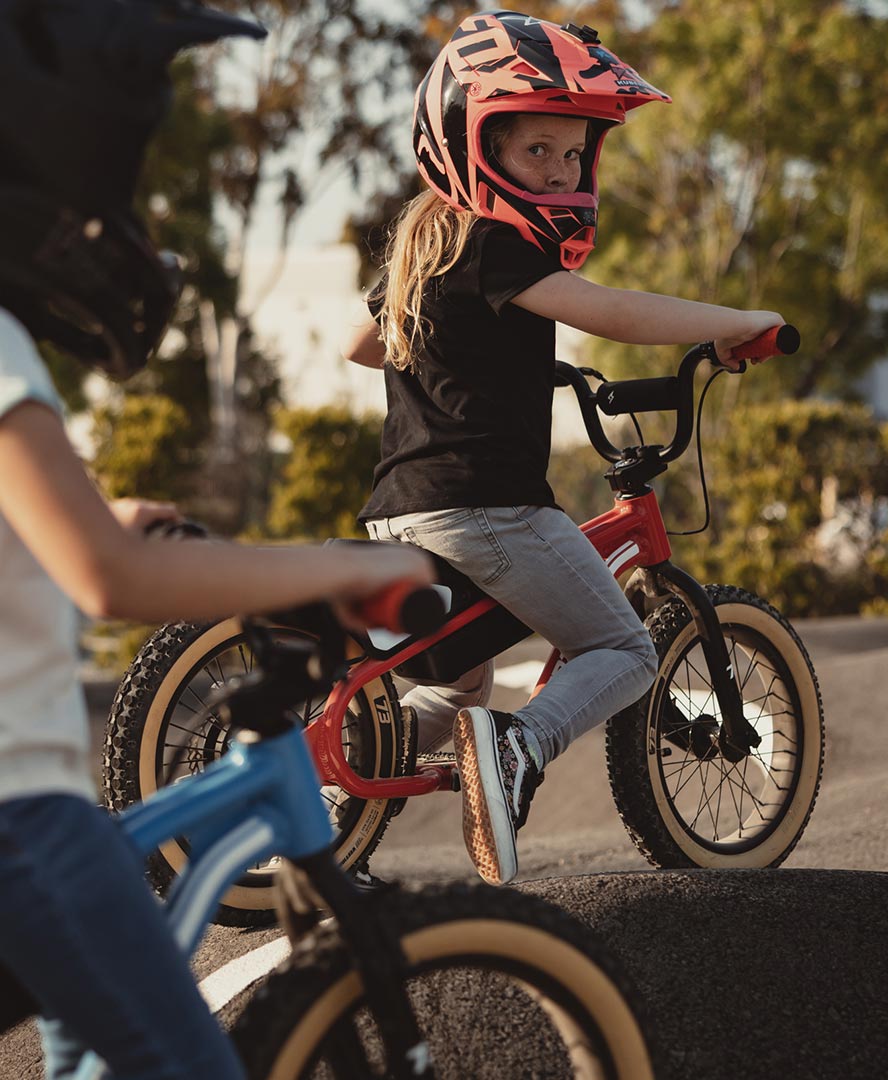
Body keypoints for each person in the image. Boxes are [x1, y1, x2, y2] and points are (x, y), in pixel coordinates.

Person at [0, 3, 434, 1079]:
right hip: (22, 824)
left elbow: (67, 541)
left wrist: (98, 519)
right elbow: (109, 578)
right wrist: (347, 564)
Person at [342, 10, 784, 888]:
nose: (560, 169)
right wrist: (739, 324)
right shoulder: (494, 240)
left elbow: (360, 348)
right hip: (486, 506)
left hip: (400, 510)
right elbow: (611, 312)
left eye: (573, 155)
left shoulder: (424, 248)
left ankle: (329, 798)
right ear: (473, 142)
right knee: (624, 652)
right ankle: (519, 747)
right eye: (535, 150)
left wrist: (474, 353)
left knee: (453, 688)